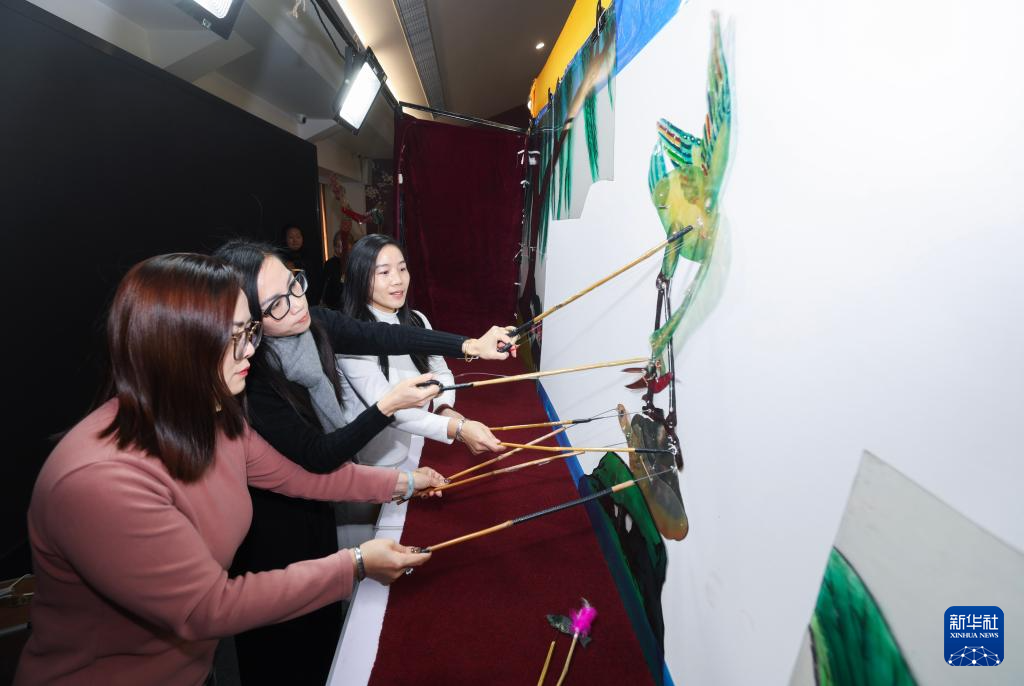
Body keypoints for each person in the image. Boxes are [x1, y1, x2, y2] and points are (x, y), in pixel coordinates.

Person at [14, 253, 443, 686]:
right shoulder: (98, 481)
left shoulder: (214, 417)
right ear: (177, 348)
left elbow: (299, 476)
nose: (252, 349)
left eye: (250, 331)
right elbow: (206, 608)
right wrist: (355, 564)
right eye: (235, 336)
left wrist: (404, 482)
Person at [212, 239, 515, 685]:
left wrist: (469, 344)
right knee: (284, 652)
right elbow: (317, 456)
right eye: (275, 304)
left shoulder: (310, 321)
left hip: (317, 502)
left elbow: (386, 335)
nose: (297, 304)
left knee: (326, 639)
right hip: (273, 530)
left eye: (295, 285)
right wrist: (388, 408)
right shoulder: (253, 376)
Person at [339, 234, 501, 466]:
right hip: (368, 462)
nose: (398, 280)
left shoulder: (417, 320)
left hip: (414, 444)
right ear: (360, 277)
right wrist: (459, 429)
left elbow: (441, 372)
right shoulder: (350, 336)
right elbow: (390, 409)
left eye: (402, 269)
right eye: (384, 272)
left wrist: (443, 406)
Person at [321, 230, 347, 309]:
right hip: (333, 304)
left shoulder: (353, 262)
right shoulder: (330, 263)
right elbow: (325, 285)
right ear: (334, 247)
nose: (340, 250)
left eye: (343, 246)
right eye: (338, 246)